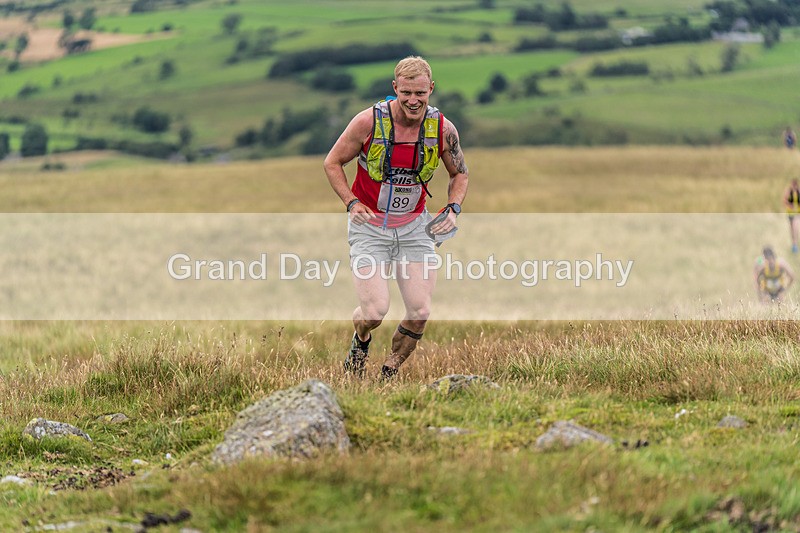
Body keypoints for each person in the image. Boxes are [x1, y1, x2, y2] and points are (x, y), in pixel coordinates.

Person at [323, 56, 469, 380]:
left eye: (420, 93)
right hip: (370, 228)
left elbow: (460, 174)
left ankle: (387, 374)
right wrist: (350, 202)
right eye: (406, 93)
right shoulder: (367, 122)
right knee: (374, 312)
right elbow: (332, 162)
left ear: (431, 89)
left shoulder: (442, 129)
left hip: (415, 228)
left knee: (420, 311)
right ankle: (361, 340)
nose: (413, 101)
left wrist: (453, 208)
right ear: (395, 88)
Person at [783, 178, 800, 253]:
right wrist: (790, 205)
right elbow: (784, 200)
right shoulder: (788, 191)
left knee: (795, 228)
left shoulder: (799, 191)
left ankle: (795, 245)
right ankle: (794, 245)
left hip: (797, 213)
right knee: (792, 229)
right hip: (790, 213)